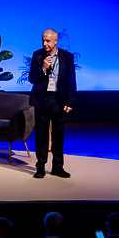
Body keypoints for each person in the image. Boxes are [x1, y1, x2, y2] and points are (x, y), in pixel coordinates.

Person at [29, 28, 77, 178]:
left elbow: (71, 80)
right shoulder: (37, 55)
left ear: (56, 41)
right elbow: (32, 78)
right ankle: (40, 167)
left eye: (48, 41)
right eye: (43, 40)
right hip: (42, 100)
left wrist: (70, 101)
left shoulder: (67, 57)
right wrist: (43, 68)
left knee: (58, 135)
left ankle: (57, 167)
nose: (45, 43)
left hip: (59, 100)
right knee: (41, 134)